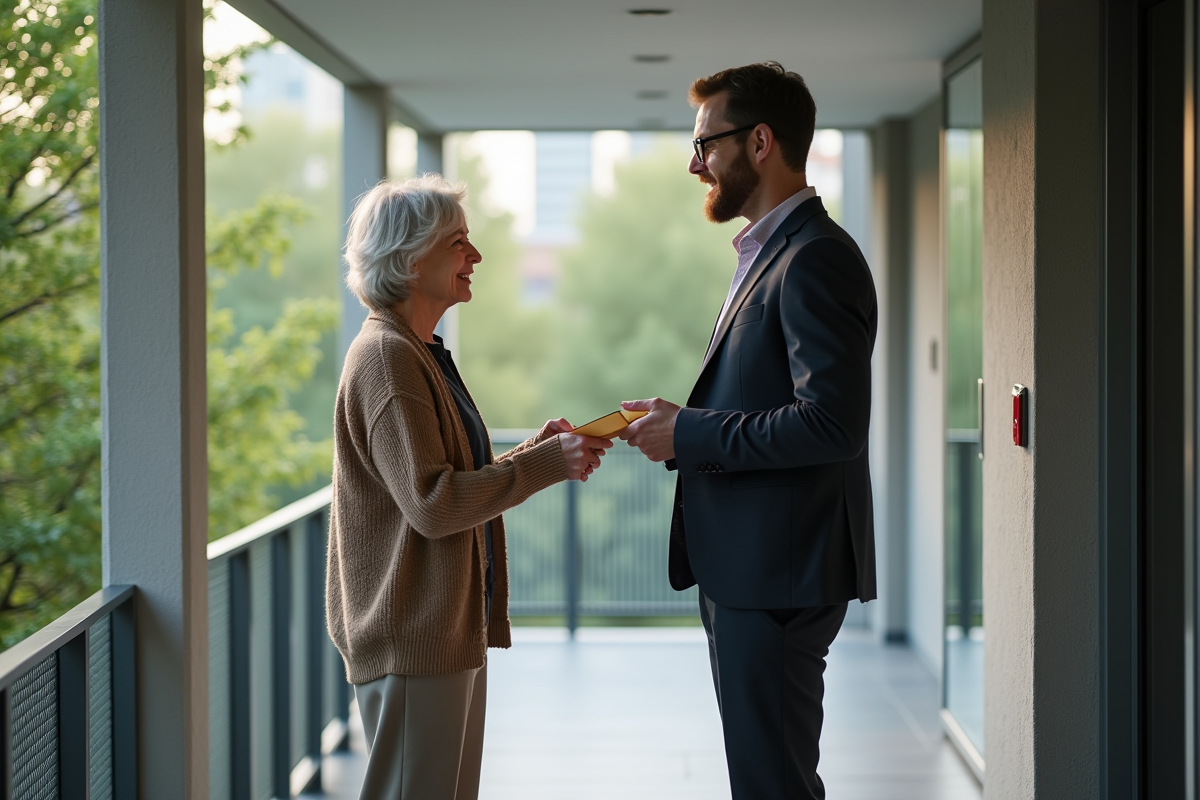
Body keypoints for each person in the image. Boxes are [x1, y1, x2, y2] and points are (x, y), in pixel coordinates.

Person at [619, 62, 878, 800]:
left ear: (760, 141)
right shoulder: (771, 252)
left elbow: (831, 424)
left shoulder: (814, 257)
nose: (696, 162)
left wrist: (690, 433)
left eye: (707, 143)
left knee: (774, 784)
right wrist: (678, 422)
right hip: (756, 568)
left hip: (779, 574)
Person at [326, 175, 612, 800]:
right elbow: (433, 506)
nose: (475, 256)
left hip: (442, 632)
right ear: (410, 258)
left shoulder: (419, 352)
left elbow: (443, 478)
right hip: (413, 636)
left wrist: (538, 452)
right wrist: (545, 467)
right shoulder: (388, 358)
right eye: (459, 243)